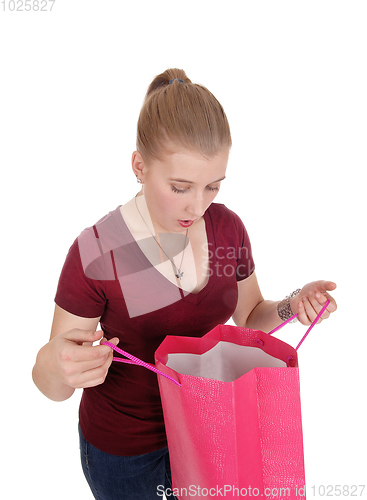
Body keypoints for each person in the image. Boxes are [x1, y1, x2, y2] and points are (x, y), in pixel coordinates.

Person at [32, 68, 337, 500]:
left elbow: (249, 317)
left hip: (210, 428)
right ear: (139, 165)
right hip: (129, 453)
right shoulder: (99, 252)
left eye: (212, 186)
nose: (197, 205)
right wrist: (53, 364)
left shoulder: (228, 229)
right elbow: (52, 385)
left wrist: (294, 304)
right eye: (180, 187)